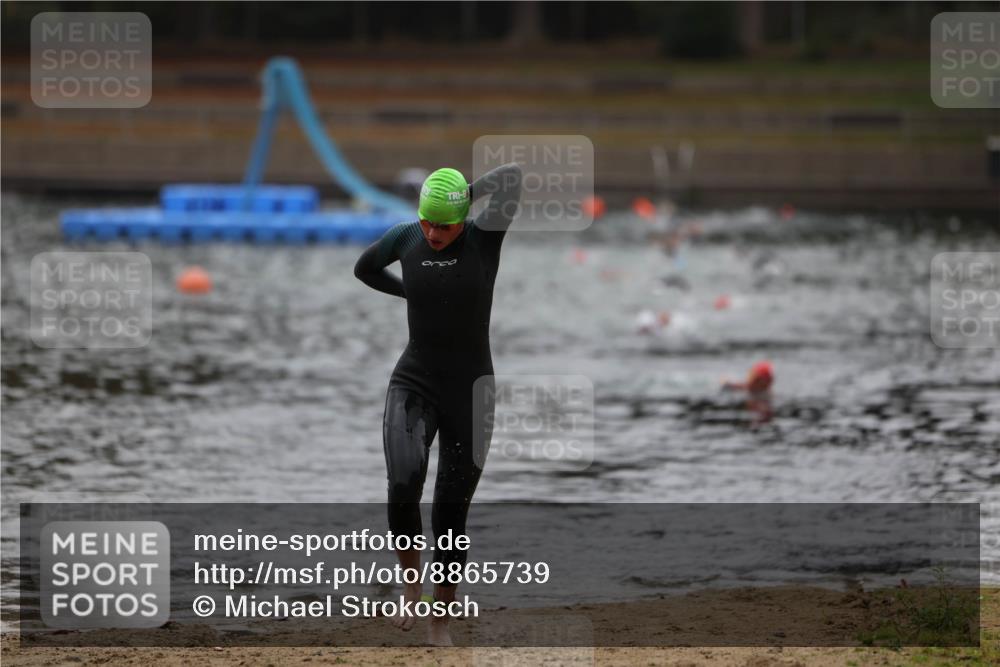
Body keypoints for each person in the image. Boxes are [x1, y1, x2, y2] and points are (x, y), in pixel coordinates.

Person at [353, 162, 522, 646]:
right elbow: (364, 268)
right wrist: (406, 291)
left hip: (471, 391)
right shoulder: (405, 237)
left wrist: (460, 195)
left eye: (443, 223)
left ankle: (440, 621)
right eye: (427, 220)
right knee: (404, 482)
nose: (432, 232)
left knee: (450, 513)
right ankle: (411, 584)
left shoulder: (483, 237)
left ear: (461, 218)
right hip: (414, 380)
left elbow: (512, 178)